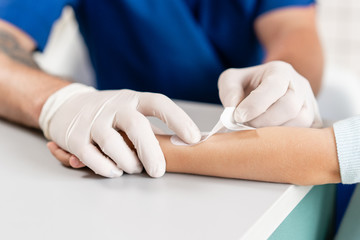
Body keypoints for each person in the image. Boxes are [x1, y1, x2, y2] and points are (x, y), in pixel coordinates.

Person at [0, 0, 323, 178]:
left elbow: (294, 28)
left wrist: (287, 77)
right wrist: (58, 102)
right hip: (111, 136)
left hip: (247, 128)